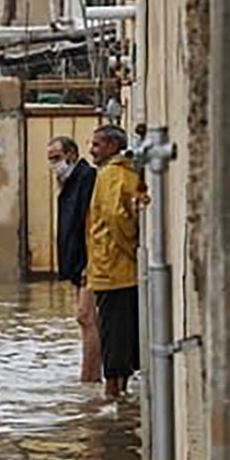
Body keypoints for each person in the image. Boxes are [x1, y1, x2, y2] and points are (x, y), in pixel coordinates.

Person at [86, 125, 142, 399]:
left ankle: (113, 392)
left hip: (113, 270)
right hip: (117, 269)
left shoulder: (111, 175)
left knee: (114, 334)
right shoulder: (121, 174)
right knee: (120, 332)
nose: (92, 151)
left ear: (111, 146)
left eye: (96, 145)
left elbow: (116, 218)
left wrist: (131, 250)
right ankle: (120, 392)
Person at [48, 136, 101, 383]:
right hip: (76, 264)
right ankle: (89, 376)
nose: (54, 165)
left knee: (86, 317)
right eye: (50, 160)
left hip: (87, 263)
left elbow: (90, 224)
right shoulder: (69, 182)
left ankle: (90, 379)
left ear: (71, 154)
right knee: (84, 320)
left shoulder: (86, 178)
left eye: (57, 158)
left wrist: (88, 264)